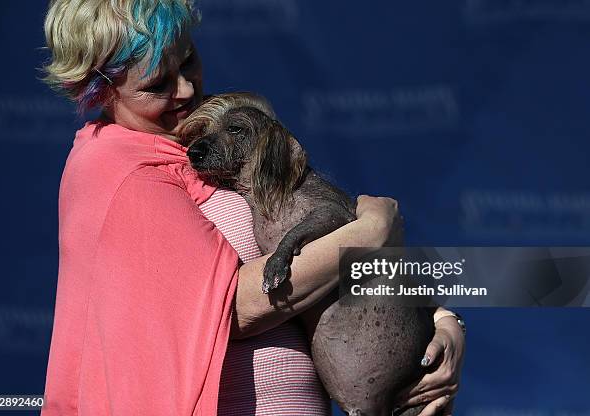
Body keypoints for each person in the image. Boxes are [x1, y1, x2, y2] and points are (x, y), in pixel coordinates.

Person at [40, 1, 465, 415]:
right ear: (100, 92)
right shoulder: (117, 170)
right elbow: (232, 307)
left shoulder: (210, 139)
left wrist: (444, 322)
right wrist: (368, 236)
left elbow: (320, 234)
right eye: (156, 86)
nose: (186, 89)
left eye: (187, 61)